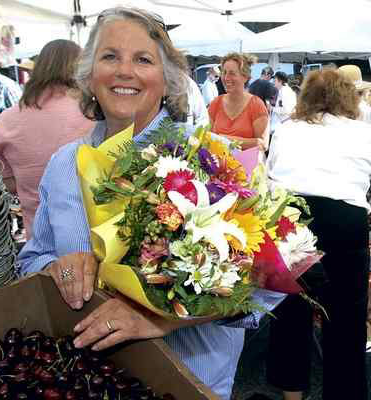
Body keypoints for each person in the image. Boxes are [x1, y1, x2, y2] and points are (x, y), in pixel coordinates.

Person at [17, 8, 262, 400]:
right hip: (89, 376)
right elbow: (32, 258)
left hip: (190, 376)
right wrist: (54, 268)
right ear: (89, 75)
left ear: (167, 80)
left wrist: (162, 316)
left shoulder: (211, 156)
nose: (123, 71)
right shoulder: (64, 163)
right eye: (109, 56)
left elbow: (263, 283)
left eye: (143, 59)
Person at [266, 69, 370, 400]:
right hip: (345, 223)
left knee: (290, 314)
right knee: (347, 322)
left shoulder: (285, 129)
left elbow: (271, 176)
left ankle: (291, 396)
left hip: (293, 221)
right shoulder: (362, 131)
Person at [0, 39, 94, 240]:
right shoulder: (94, 114)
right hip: (94, 234)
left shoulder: (7, 119)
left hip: (39, 237)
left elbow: (8, 184)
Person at [208, 53, 269, 151]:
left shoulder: (256, 105)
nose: (226, 78)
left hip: (247, 165)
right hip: (219, 164)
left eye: (232, 73)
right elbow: (207, 138)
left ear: (245, 77)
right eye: (224, 72)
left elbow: (263, 144)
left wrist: (227, 141)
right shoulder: (216, 103)